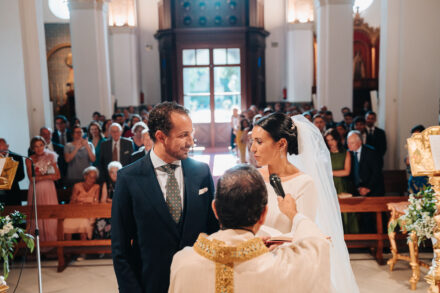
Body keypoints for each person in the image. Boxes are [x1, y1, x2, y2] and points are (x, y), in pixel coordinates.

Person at [169, 164, 331, 293]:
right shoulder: (282, 267)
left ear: (215, 209)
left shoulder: (183, 262)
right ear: (263, 214)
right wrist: (295, 214)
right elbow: (317, 247)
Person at [111, 102, 219, 293]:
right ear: (161, 136)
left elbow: (212, 230)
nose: (191, 141)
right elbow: (121, 249)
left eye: (191, 133)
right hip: (151, 283)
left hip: (198, 283)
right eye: (183, 135)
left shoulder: (201, 173)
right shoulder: (128, 178)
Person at [250, 113, 359, 293]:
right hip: (253, 263)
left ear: (282, 144)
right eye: (252, 141)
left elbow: (304, 236)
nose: (253, 148)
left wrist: (292, 215)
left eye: (259, 142)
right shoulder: (254, 178)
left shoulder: (304, 183)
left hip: (285, 268)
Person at [324, 129, 359, 234]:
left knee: (346, 211)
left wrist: (329, 173)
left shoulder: (346, 153)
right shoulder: (325, 154)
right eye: (328, 140)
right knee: (332, 212)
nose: (330, 143)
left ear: (338, 140)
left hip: (343, 186)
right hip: (330, 186)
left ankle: (351, 237)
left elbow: (346, 172)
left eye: (332, 139)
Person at [26, 136, 59, 246]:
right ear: (32, 148)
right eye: (36, 146)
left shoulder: (51, 156)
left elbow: (57, 175)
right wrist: (47, 175)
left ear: (45, 145)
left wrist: (41, 176)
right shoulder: (29, 159)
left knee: (50, 215)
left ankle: (52, 245)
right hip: (35, 190)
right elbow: (31, 178)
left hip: (49, 189)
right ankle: (36, 247)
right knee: (36, 216)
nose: (39, 148)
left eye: (41, 145)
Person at [64, 166, 100, 242]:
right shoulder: (77, 186)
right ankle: (67, 250)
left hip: (89, 212)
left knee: (84, 222)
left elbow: (96, 202)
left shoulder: (96, 187)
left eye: (94, 177)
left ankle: (83, 251)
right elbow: (72, 202)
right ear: (85, 176)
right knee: (67, 222)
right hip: (77, 211)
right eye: (90, 177)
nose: (92, 179)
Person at [347, 130, 384, 196]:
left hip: (372, 189)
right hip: (355, 190)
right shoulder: (348, 153)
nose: (349, 145)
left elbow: (376, 172)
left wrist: (368, 188)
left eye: (352, 143)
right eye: (348, 143)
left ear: (360, 142)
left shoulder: (372, 153)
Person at [94, 161, 122, 240]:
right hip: (108, 211)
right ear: (109, 173)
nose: (114, 175)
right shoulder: (106, 184)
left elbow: (123, 201)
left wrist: (109, 200)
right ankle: (101, 246)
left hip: (120, 211)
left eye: (116, 172)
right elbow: (103, 201)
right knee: (101, 220)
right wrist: (112, 201)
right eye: (112, 172)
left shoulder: (125, 183)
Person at [0, 138, 25, 205]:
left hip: (13, 192)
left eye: (1, 145)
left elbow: (21, 175)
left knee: (14, 213)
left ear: (7, 146)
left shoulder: (17, 157)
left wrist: (8, 178)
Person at [405, 125, 428, 194]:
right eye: (413, 136)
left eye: (417, 136)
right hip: (414, 182)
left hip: (427, 182)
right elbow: (409, 170)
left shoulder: (429, 149)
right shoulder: (412, 149)